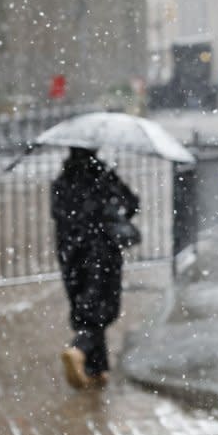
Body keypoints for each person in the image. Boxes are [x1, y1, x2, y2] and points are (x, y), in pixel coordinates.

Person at [51, 147, 139, 389]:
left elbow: (58, 215)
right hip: (101, 250)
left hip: (70, 252)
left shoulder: (61, 180)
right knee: (104, 307)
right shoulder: (102, 175)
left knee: (84, 306)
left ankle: (96, 369)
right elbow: (132, 202)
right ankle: (79, 348)